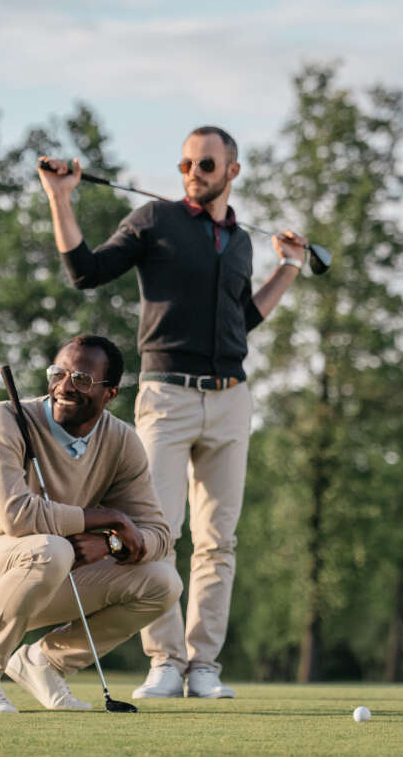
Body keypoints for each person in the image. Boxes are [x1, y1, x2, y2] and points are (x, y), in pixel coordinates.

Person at [38, 128, 306, 699]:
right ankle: (164, 659)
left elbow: (242, 322)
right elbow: (84, 271)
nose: (192, 171)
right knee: (161, 532)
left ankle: (203, 665)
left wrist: (288, 268)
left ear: (232, 170)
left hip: (232, 398)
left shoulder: (239, 242)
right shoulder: (154, 221)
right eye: (185, 163)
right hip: (167, 395)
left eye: (205, 163)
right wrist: (61, 197)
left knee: (219, 540)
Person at [0, 334, 180, 713]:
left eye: (81, 379)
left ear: (109, 393)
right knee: (52, 547)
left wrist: (109, 545)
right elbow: (18, 517)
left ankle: (44, 663)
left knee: (163, 583)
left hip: (45, 571)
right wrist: (110, 519)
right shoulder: (4, 417)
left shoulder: (123, 441)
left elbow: (159, 536)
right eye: (58, 373)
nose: (64, 386)